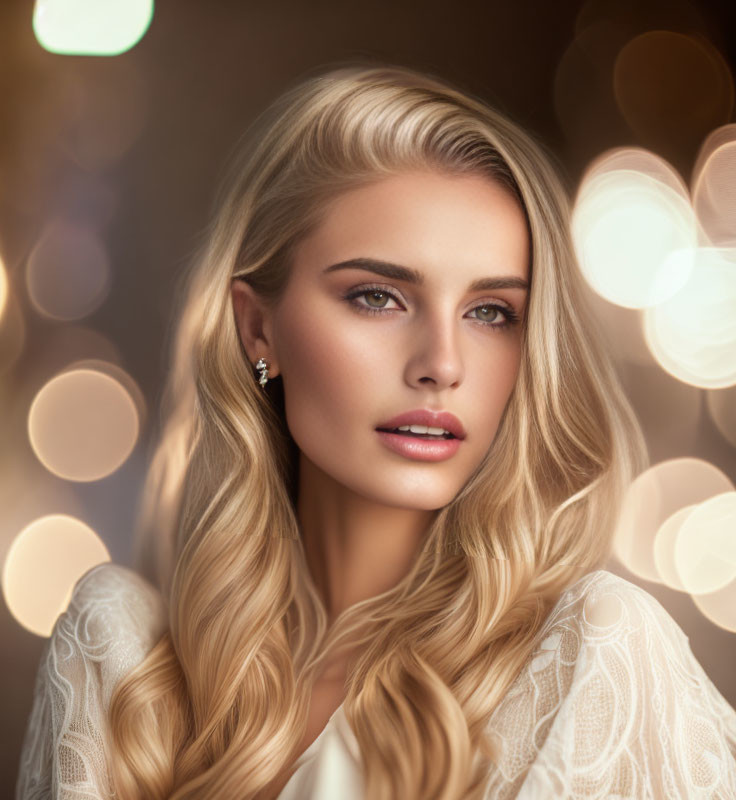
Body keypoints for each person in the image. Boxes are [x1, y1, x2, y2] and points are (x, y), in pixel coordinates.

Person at [15, 60, 736, 800]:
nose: (442, 364)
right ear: (257, 329)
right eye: (378, 297)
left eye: (491, 312)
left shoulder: (598, 653)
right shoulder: (120, 663)